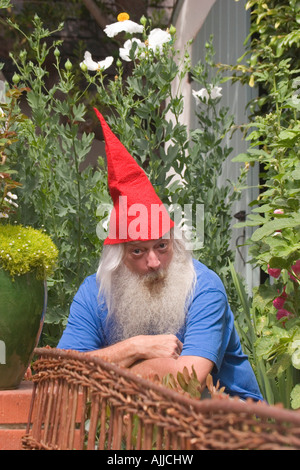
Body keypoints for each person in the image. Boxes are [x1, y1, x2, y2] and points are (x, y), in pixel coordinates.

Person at [57, 110, 263, 402]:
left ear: (175, 242)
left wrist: (99, 368)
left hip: (231, 425)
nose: (153, 262)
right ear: (117, 257)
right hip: (135, 419)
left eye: (162, 246)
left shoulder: (204, 286)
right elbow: (62, 371)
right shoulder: (94, 292)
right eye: (138, 251)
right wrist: (135, 348)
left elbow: (187, 383)